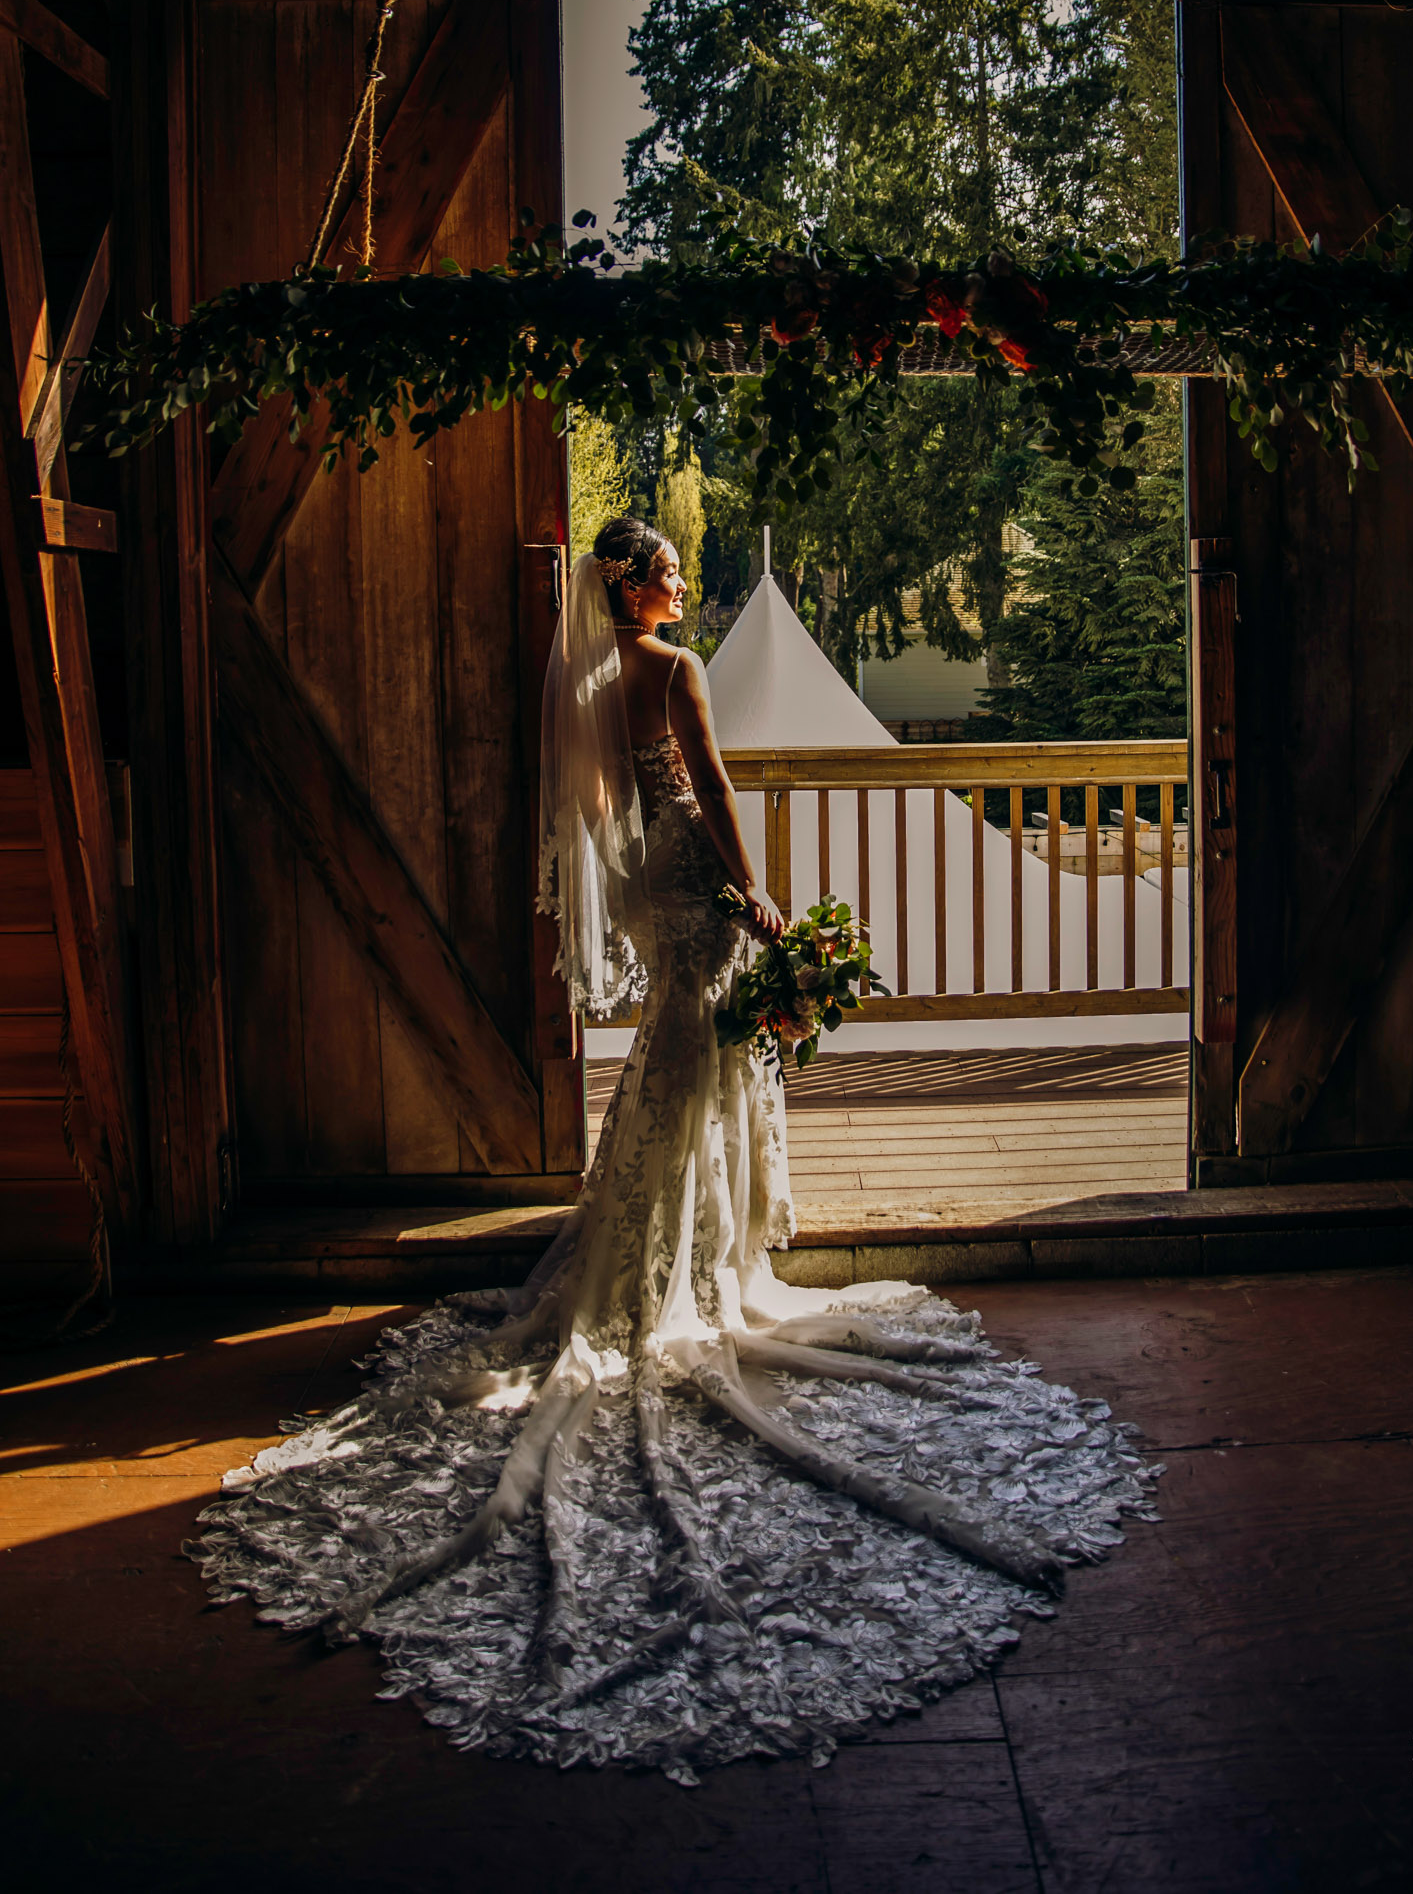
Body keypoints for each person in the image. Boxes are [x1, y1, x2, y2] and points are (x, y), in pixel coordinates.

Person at [192, 513, 1161, 1782]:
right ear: (640, 585)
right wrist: (755, 892)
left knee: (673, 1056)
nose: (683, 581)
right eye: (670, 568)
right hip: (695, 872)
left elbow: (609, 802)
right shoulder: (676, 668)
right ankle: (680, 1260)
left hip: (645, 879)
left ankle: (658, 1241)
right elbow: (708, 782)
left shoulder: (591, 678)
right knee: (696, 1058)